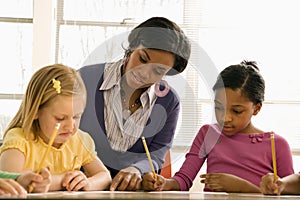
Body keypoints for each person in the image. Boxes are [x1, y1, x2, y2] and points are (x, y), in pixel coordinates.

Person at [142, 60, 294, 193]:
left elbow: (288, 193)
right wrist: (163, 183)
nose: (225, 118)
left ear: (257, 108)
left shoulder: (276, 144)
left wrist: (241, 187)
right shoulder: (208, 133)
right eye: (219, 107)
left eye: (236, 111)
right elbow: (183, 180)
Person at [78, 16, 191, 191]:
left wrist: (137, 169)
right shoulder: (83, 80)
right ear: (133, 46)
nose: (144, 73)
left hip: (131, 193)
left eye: (158, 70)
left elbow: (156, 155)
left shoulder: (169, 102)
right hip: (79, 189)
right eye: (143, 59)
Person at [0, 64, 111, 192]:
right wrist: (64, 180)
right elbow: (9, 183)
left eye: (76, 117)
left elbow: (105, 177)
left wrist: (87, 183)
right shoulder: (19, 140)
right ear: (35, 110)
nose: (70, 126)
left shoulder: (79, 141)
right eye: (60, 118)